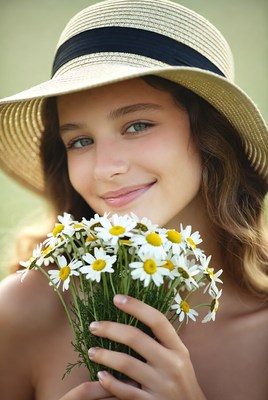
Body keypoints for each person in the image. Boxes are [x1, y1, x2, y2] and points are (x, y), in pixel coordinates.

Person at [0, 0, 267, 398]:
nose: (105, 168)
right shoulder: (22, 314)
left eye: (137, 125)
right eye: (81, 140)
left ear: (212, 135)